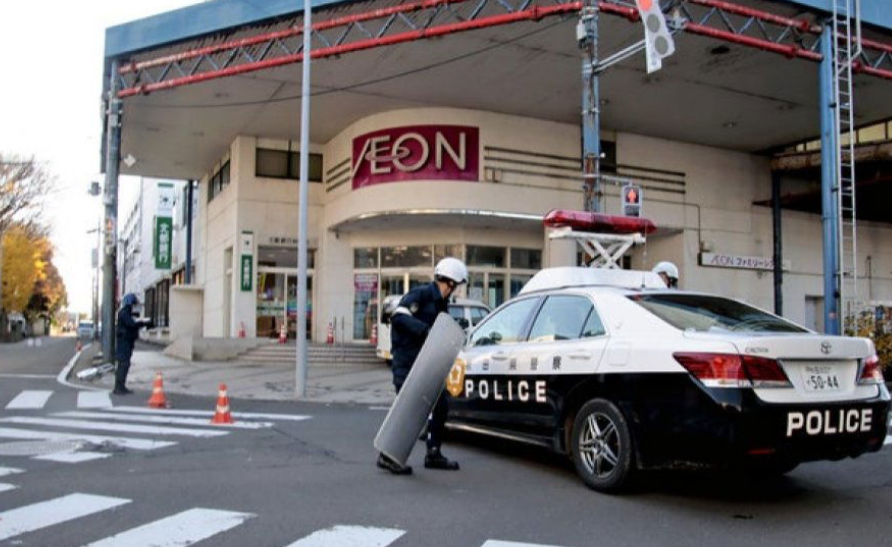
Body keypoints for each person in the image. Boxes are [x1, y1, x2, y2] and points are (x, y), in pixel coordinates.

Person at [376, 257, 468, 475]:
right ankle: (387, 456)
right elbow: (398, 316)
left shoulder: (442, 304)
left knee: (441, 405)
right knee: (408, 410)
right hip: (407, 363)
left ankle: (433, 453)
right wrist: (424, 330)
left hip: (426, 364)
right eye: (455, 286)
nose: (454, 291)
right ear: (449, 282)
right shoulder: (421, 294)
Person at [113, 293, 151, 395]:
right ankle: (118, 387)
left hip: (127, 342)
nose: (135, 307)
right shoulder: (124, 313)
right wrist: (143, 323)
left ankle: (121, 386)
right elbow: (131, 324)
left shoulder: (126, 313)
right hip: (124, 343)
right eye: (134, 304)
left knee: (125, 364)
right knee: (123, 364)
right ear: (130, 303)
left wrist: (141, 322)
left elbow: (132, 324)